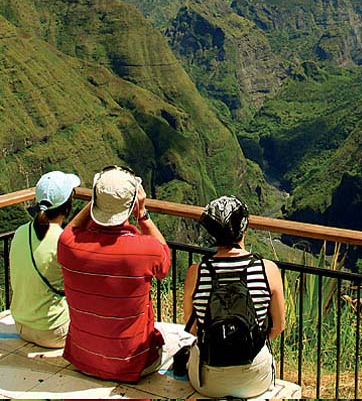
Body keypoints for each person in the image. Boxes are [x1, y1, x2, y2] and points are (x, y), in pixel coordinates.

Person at [57, 165, 170, 382]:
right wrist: (143, 214)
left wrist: (99, 201)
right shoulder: (145, 250)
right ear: (133, 203)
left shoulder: (69, 244)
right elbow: (164, 262)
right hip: (133, 364)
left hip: (83, 360)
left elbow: (71, 229)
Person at [183, 195, 285, 399]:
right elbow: (278, 327)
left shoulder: (197, 272)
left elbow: (192, 326)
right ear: (244, 227)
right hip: (254, 377)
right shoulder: (268, 270)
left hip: (209, 379)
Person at [9, 170, 78, 348]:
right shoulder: (64, 242)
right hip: (55, 332)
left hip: (22, 327)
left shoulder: (20, 232)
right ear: (68, 205)